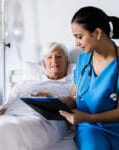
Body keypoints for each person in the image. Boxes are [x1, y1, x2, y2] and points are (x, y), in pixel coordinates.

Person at [0, 42, 75, 150]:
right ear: (44, 63)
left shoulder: (72, 83)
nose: (54, 61)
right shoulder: (27, 81)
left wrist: (52, 100)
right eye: (49, 57)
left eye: (59, 56)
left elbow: (75, 108)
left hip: (41, 119)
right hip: (10, 115)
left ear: (67, 61)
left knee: (3, 132)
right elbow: (8, 103)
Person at [59, 6, 119, 150]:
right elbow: (73, 98)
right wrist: (51, 102)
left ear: (97, 33)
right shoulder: (83, 60)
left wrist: (88, 117)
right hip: (91, 128)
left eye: (79, 37)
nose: (76, 43)